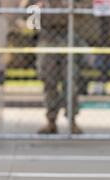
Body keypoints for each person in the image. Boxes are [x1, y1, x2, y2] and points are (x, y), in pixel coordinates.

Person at [29, 0, 83, 134]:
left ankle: (72, 120)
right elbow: (30, 23)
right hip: (47, 39)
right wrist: (37, 10)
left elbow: (84, 13)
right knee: (49, 82)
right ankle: (51, 121)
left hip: (68, 39)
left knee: (70, 82)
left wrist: (71, 7)